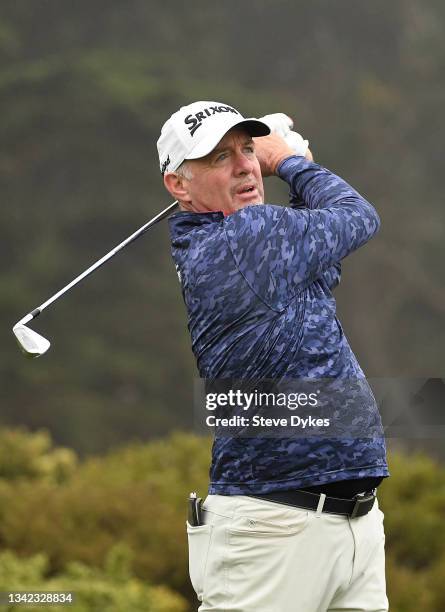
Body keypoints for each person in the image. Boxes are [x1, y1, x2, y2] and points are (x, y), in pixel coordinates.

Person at [157, 101, 389, 612]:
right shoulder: (244, 239)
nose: (244, 165)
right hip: (272, 531)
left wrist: (287, 165)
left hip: (353, 527)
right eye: (219, 158)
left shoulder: (253, 243)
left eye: (247, 150)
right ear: (179, 186)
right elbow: (357, 217)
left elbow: (321, 251)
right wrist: (290, 161)